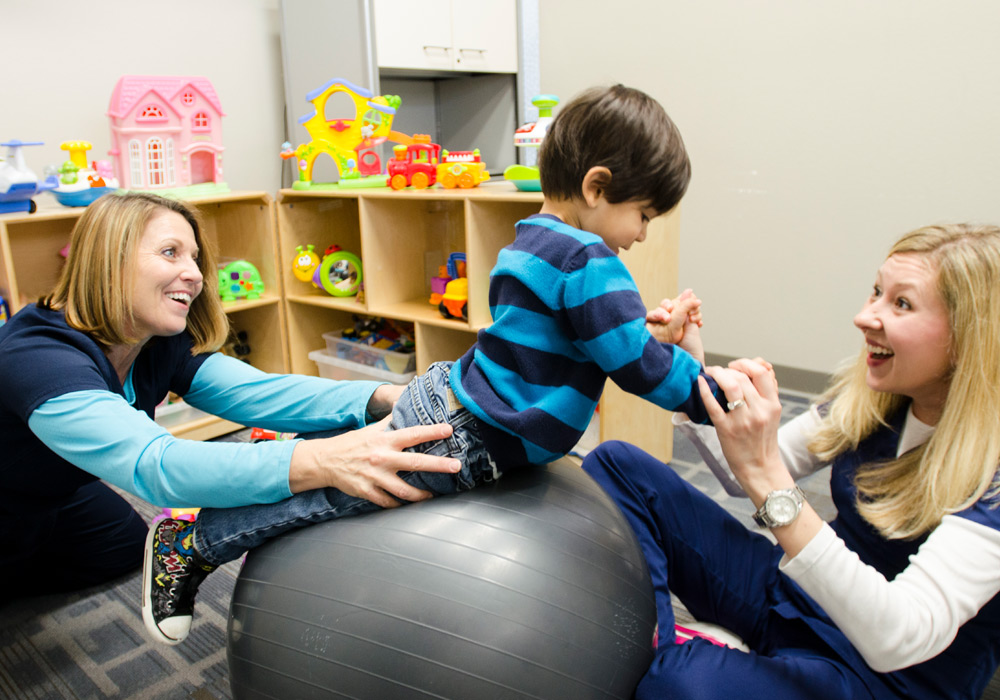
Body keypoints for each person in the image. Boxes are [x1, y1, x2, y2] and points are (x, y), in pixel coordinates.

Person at [145, 83, 734, 645]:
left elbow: (573, 336)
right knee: (347, 490)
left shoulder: (533, 237)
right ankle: (193, 542)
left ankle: (267, 457)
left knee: (350, 455)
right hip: (467, 436)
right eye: (644, 215)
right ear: (598, 187)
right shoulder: (590, 261)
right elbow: (634, 365)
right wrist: (712, 394)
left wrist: (642, 332)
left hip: (455, 398)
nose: (643, 234)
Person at [0, 191, 462, 631]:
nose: (195, 274)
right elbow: (156, 465)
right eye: (170, 252)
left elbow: (261, 393)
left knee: (122, 546)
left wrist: (384, 395)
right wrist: (325, 461)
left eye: (194, 258)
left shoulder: (155, 340)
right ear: (110, 259)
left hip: (52, 490)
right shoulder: (40, 358)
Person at [583, 223, 1000, 700]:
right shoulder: (872, 401)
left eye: (901, 304)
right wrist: (690, 367)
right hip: (796, 599)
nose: (865, 317)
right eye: (877, 292)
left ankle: (680, 663)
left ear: (970, 337)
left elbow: (898, 637)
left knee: (680, 684)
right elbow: (745, 476)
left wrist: (768, 477)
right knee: (617, 465)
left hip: (880, 679)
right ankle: (657, 648)